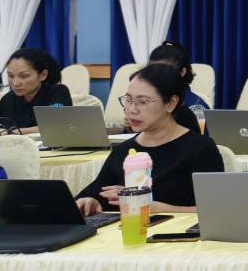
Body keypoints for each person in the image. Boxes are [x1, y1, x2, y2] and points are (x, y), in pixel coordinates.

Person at [75, 64, 224, 215]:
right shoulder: (125, 150)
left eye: (143, 102)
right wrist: (91, 201)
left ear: (171, 103)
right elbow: (96, 192)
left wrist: (157, 208)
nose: (132, 110)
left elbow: (218, 210)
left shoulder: (201, 149)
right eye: (128, 100)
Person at [0, 48, 71, 135]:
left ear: (43, 75)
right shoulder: (7, 99)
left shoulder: (58, 92)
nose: (15, 83)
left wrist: (13, 132)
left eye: (24, 76)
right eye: (11, 76)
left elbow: (58, 125)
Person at [147, 40, 206, 132]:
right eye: (153, 69)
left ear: (182, 72)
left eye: (164, 70)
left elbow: (201, 138)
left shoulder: (197, 107)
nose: (157, 75)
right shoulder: (147, 100)